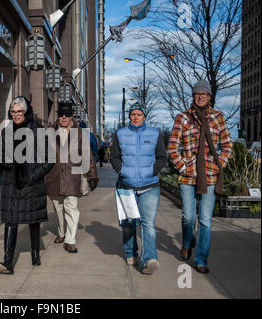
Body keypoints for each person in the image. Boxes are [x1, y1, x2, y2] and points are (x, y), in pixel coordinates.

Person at [168, 80, 232, 274]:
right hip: (188, 176)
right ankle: (187, 242)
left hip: (210, 176)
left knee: (205, 220)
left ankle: (201, 259)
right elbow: (172, 147)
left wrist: (218, 164)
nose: (200, 96)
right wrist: (183, 166)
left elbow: (227, 145)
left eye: (204, 94)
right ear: (193, 96)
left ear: (209, 96)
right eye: (197, 94)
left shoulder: (218, 117)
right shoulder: (183, 118)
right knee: (188, 217)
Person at [0, 96, 54, 275]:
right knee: (10, 220)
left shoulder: (38, 131)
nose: (16, 115)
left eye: (19, 111)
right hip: (10, 183)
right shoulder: (6, 131)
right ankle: (7, 261)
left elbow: (49, 160)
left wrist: (32, 177)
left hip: (31, 183)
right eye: (13, 112)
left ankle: (35, 254)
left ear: (26, 112)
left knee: (33, 219)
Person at [110, 102, 167, 274]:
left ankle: (149, 259)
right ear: (129, 116)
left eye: (139, 114)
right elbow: (114, 156)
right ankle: (130, 253)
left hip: (149, 186)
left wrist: (152, 171)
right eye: (133, 114)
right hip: (126, 186)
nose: (136, 117)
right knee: (128, 223)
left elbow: (162, 157)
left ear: (144, 117)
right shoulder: (120, 134)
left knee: (148, 224)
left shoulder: (155, 133)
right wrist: (122, 170)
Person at [45, 103, 99, 253]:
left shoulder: (80, 133)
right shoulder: (49, 132)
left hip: (72, 176)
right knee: (58, 207)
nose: (64, 117)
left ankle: (70, 240)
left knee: (71, 208)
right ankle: (61, 232)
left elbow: (88, 155)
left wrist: (92, 176)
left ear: (71, 116)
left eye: (67, 114)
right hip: (54, 176)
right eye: (61, 114)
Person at [79, 121, 98, 195]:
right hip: (87, 156)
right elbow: (94, 146)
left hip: (77, 156)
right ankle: (84, 190)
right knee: (85, 174)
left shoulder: (76, 134)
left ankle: (78, 190)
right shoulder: (90, 135)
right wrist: (93, 154)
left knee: (78, 173)